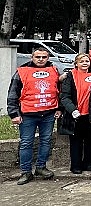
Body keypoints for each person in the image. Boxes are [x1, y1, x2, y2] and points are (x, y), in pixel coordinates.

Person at [7, 47, 62, 185]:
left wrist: (59, 108)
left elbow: (60, 91)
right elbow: (13, 93)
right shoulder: (22, 72)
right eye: (38, 57)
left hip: (48, 114)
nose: (41, 59)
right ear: (32, 57)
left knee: (46, 141)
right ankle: (26, 172)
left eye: (44, 57)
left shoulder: (54, 70)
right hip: (27, 115)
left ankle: (41, 167)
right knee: (26, 143)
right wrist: (14, 113)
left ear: (48, 57)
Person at [60, 53, 91, 174]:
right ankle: (76, 165)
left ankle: (88, 163)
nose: (85, 63)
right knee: (76, 141)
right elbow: (64, 96)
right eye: (81, 61)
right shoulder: (70, 76)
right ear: (76, 63)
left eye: (87, 61)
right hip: (76, 115)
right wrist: (72, 109)